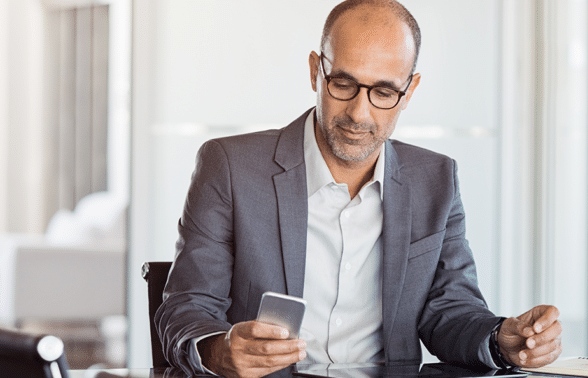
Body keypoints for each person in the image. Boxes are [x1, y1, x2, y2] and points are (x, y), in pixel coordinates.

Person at [155, 1, 562, 377]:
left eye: (383, 92)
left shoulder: (436, 179)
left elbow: (450, 312)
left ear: (410, 91)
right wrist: (216, 349)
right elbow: (187, 307)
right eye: (343, 84)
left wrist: (500, 339)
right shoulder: (229, 167)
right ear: (316, 71)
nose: (358, 113)